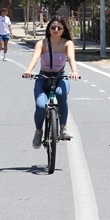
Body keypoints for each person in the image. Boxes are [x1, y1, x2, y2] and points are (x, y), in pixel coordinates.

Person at [22, 16, 80, 148]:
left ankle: (63, 128)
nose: (56, 30)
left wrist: (75, 71)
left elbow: (71, 57)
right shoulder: (42, 43)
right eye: (53, 27)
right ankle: (38, 131)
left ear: (63, 29)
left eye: (59, 28)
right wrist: (28, 70)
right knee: (41, 106)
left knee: (61, 94)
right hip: (43, 77)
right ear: (48, 29)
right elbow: (35, 58)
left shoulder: (67, 43)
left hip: (60, 77)